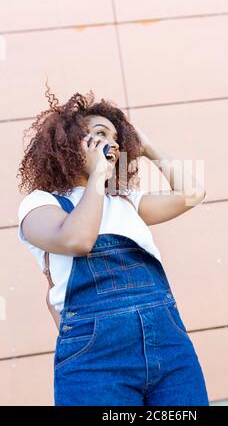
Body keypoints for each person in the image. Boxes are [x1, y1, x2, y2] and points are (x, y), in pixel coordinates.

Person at [17, 84, 209, 406]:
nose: (110, 143)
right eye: (99, 134)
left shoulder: (127, 202)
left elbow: (193, 194)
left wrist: (146, 146)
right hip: (97, 358)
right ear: (66, 142)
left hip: (168, 343)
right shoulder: (41, 203)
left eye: (115, 138)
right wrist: (96, 176)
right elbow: (77, 239)